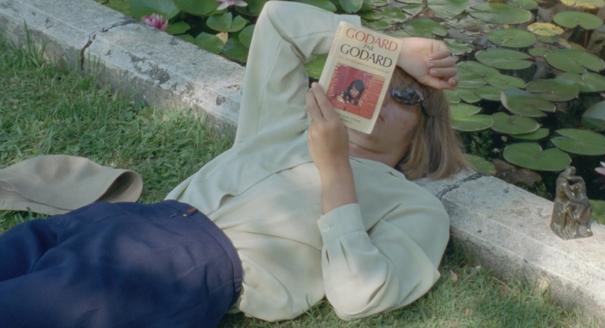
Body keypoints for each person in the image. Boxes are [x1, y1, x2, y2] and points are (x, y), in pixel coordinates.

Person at [0, 1, 464, 327]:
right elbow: (280, 20)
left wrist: (334, 167)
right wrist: (393, 48)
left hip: (183, 263)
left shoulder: (414, 207)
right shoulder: (284, 125)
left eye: (402, 91)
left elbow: (361, 295)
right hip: (119, 223)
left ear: (424, 129)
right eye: (372, 75)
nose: (379, 89)